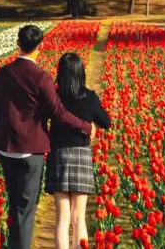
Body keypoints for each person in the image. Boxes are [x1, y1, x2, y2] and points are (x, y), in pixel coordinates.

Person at [0, 25, 95, 249]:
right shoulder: (42, 78)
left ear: (18, 45)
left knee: (14, 205)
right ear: (40, 47)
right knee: (25, 210)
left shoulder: (2, 73)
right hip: (31, 150)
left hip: (7, 149)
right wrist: (85, 126)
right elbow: (60, 113)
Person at [46, 53, 111, 249]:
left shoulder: (54, 97)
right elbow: (106, 121)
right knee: (79, 218)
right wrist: (91, 127)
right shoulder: (89, 96)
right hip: (81, 155)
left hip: (59, 154)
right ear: (81, 72)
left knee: (62, 219)